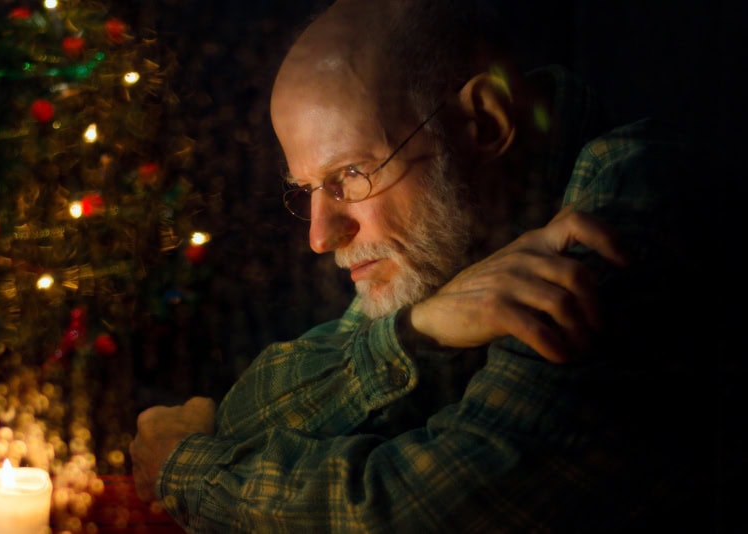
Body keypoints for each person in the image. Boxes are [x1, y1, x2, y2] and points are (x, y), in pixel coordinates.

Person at [130, 0, 731, 531]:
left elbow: (413, 512)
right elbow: (242, 419)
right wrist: (419, 330)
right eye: (306, 189)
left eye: (352, 176)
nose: (320, 236)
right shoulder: (443, 246)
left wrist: (184, 470)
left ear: (485, 124)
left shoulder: (630, 205)